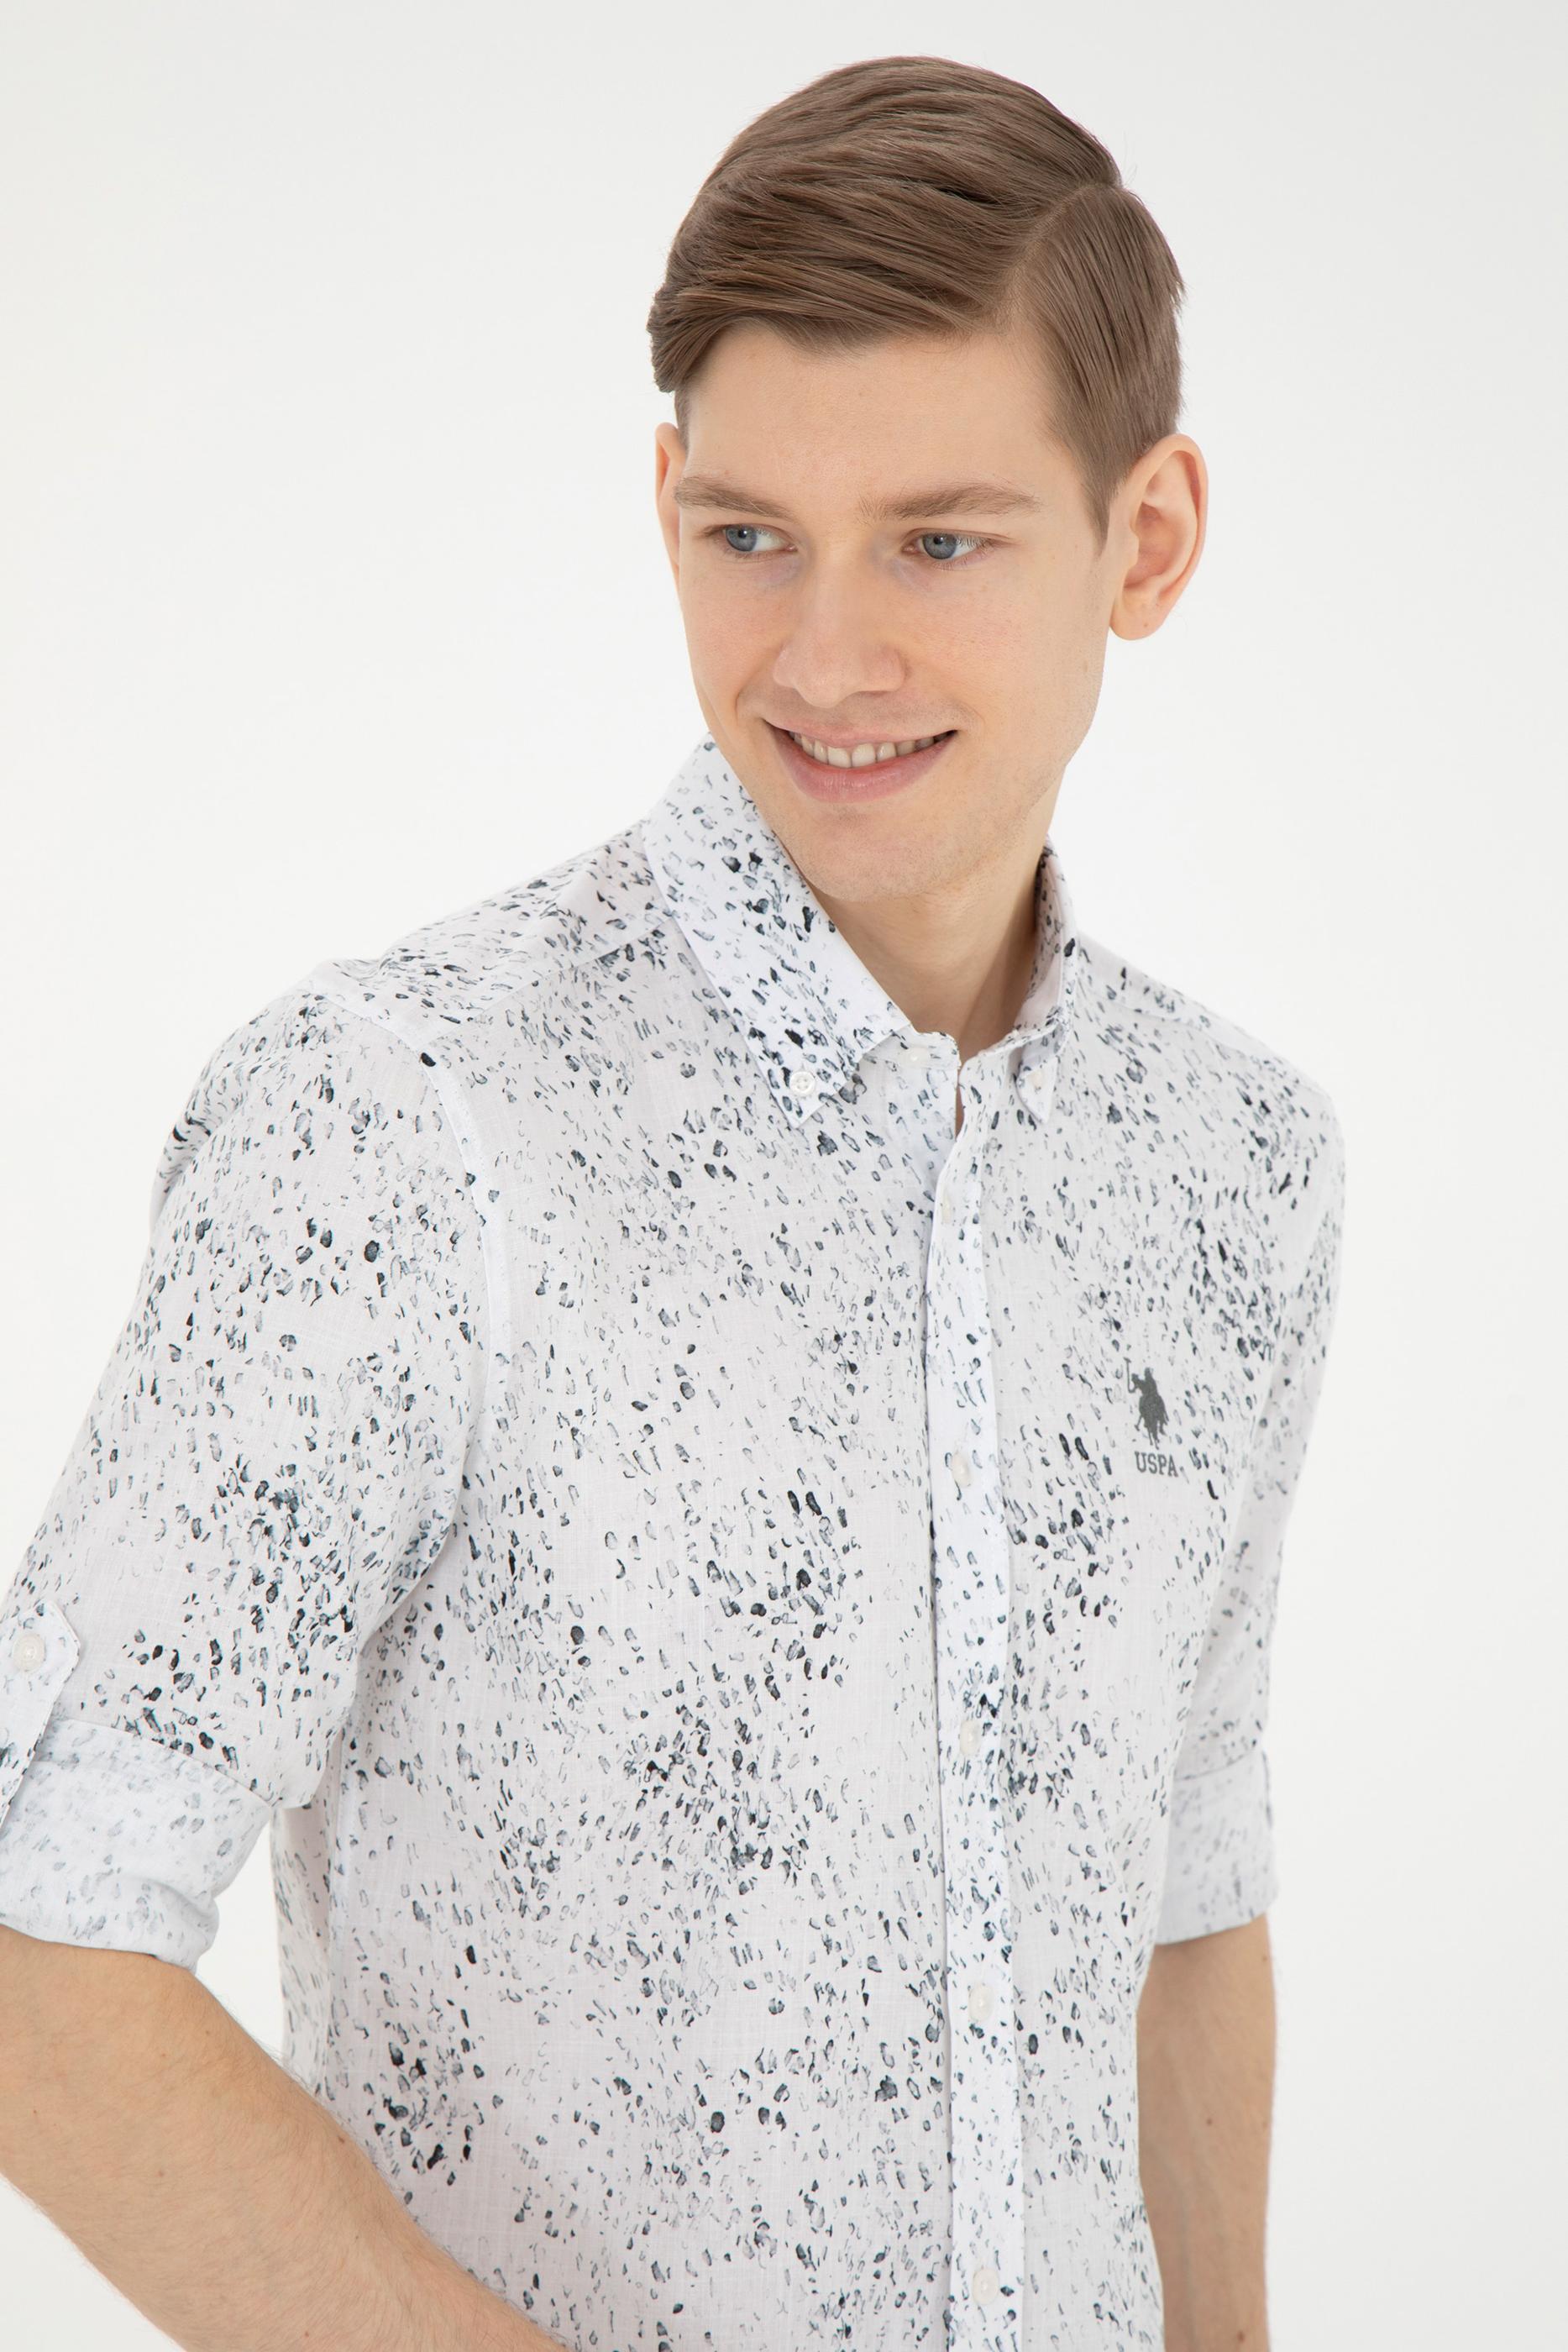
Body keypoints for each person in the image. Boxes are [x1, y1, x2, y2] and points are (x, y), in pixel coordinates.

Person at [0, 51, 1345, 2352]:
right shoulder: (401, 1121)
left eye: (936, 540)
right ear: (665, 506)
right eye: (749, 537)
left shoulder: (1233, 1165)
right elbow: (43, 1937)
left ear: (1145, 539)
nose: (823, 658)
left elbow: (1186, 1880)